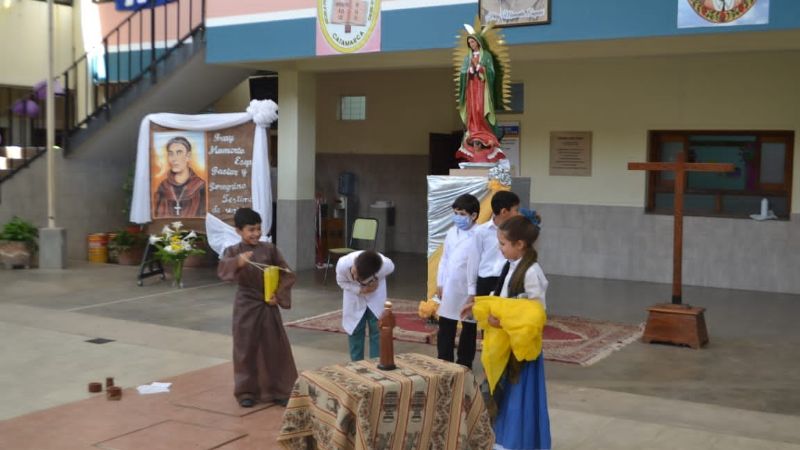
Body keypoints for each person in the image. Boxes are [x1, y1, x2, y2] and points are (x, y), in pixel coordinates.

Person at [467, 215, 551, 449]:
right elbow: (502, 299)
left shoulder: (532, 272)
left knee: (518, 397)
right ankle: (502, 437)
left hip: (521, 348)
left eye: (503, 244)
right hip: (505, 344)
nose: (500, 248)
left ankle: (517, 441)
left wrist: (503, 322)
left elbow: (535, 314)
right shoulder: (509, 266)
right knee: (501, 391)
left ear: (520, 244)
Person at [217, 208, 297, 408]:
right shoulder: (233, 251)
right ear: (239, 231)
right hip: (246, 304)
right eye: (250, 229)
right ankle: (246, 391)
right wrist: (238, 262)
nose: (256, 234)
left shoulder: (269, 249)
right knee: (245, 348)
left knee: (274, 346)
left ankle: (281, 390)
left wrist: (277, 296)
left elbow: (287, 274)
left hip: (268, 303)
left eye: (258, 229)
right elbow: (223, 269)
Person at [436, 193, 481, 369]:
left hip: (470, 287)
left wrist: (474, 291)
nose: (458, 218)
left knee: (469, 327)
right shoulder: (451, 232)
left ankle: (464, 362)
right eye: (455, 213)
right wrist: (440, 282)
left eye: (462, 214)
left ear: (474, 215)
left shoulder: (480, 234)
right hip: (450, 285)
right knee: (446, 325)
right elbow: (444, 259)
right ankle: (444, 361)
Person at [336, 250, 395, 361]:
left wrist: (376, 281)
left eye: (357, 277)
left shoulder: (385, 265)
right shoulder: (342, 264)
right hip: (354, 297)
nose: (353, 276)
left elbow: (392, 267)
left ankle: (377, 365)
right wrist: (359, 289)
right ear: (355, 263)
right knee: (355, 330)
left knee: (377, 330)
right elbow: (341, 282)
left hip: (375, 297)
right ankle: (356, 366)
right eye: (353, 273)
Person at [456, 33, 504, 163]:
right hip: (471, 87)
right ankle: (473, 130)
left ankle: (484, 131)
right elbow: (462, 73)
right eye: (469, 42)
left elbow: (491, 72)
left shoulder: (486, 55)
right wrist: (470, 70)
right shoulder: (467, 57)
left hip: (482, 88)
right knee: (472, 110)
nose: (471, 44)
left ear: (478, 42)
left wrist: (481, 68)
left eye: (473, 41)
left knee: (480, 109)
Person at [475, 191, 520, 296]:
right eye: (516, 210)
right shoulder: (481, 231)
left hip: (507, 279)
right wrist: (472, 289)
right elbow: (474, 259)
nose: (518, 214)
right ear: (504, 211)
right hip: (484, 281)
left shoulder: (517, 232)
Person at [153, 136, 207, 218]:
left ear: (188, 156)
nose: (174, 159)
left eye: (179, 153)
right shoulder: (163, 187)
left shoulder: (200, 186)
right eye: (171, 154)